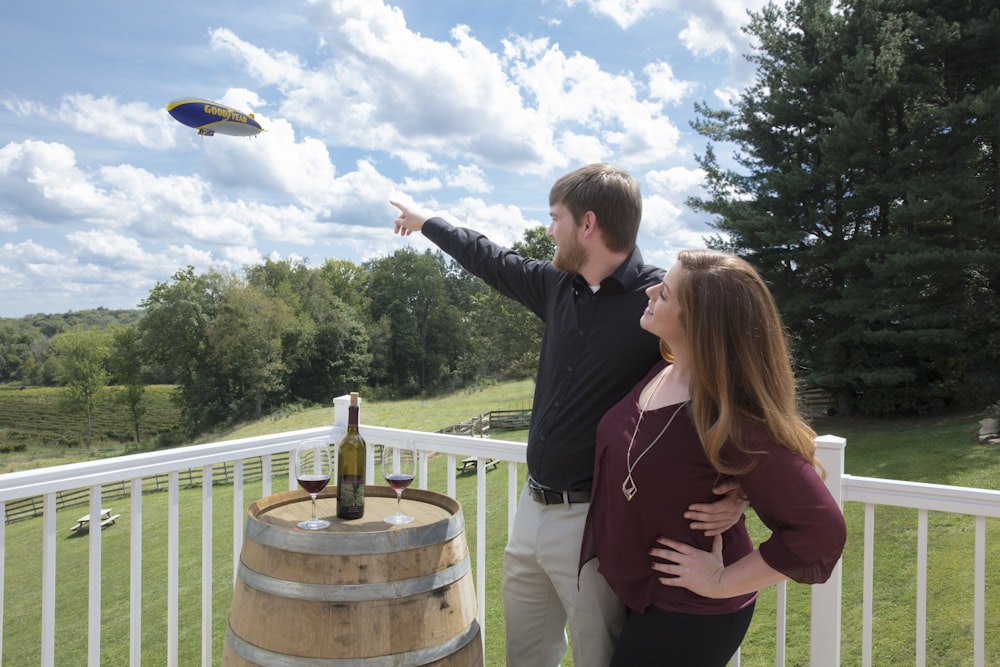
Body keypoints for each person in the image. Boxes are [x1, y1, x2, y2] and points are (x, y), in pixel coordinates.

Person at [390, 164, 746, 667]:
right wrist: (426, 222)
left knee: (596, 655)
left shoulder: (659, 303)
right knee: (525, 655)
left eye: (556, 217)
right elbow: (490, 257)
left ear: (588, 225)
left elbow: (730, 388)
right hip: (531, 509)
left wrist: (739, 488)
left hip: (595, 522)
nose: (549, 229)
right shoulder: (558, 285)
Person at [584, 249, 848, 666]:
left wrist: (723, 580)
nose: (650, 290)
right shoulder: (662, 370)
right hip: (646, 595)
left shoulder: (733, 420)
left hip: (690, 614)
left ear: (699, 325)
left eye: (666, 293)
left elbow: (822, 530)